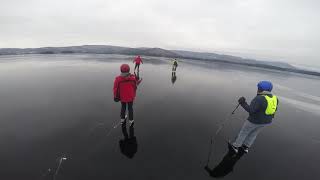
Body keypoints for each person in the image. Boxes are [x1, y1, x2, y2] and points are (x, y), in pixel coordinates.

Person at [229, 81, 279, 154]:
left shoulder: (259, 98)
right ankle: (246, 147)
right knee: (253, 134)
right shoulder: (275, 98)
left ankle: (235, 146)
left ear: (260, 89)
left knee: (244, 132)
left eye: (258, 88)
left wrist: (242, 102)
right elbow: (274, 109)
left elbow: (251, 110)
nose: (257, 89)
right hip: (266, 122)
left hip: (254, 121)